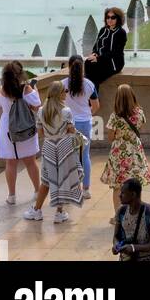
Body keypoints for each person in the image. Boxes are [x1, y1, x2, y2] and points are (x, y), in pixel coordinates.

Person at [24, 81, 83, 223]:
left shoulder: (41, 111)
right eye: (65, 91)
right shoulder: (66, 111)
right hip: (64, 147)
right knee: (62, 178)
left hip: (49, 146)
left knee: (46, 180)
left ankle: (37, 210)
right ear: (60, 93)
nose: (67, 93)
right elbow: (71, 130)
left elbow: (40, 132)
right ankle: (59, 212)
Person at [0, 62, 41, 205]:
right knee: (30, 161)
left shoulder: (2, 90)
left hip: (7, 128)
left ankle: (12, 195)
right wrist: (34, 88)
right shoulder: (26, 88)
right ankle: (37, 191)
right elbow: (37, 104)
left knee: (10, 163)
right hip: (25, 126)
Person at [101, 83, 150, 216]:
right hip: (135, 151)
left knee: (118, 187)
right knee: (134, 184)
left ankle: (119, 215)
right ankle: (134, 214)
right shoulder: (140, 113)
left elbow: (111, 137)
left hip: (118, 152)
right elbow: (140, 129)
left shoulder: (115, 116)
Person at [62, 54, 99, 199]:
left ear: (69, 67)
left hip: (68, 123)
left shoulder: (63, 84)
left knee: (70, 157)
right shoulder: (89, 84)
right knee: (85, 156)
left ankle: (73, 188)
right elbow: (96, 105)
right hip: (85, 122)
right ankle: (86, 188)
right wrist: (87, 114)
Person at [111, 178, 150, 261]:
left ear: (133, 194)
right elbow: (116, 236)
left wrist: (134, 248)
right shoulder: (121, 211)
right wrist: (116, 245)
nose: (120, 195)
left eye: (123, 193)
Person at [84, 7, 127, 95]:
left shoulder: (121, 33)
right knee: (88, 63)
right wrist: (94, 54)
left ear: (118, 19)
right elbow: (96, 46)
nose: (109, 19)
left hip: (114, 62)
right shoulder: (103, 30)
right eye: (108, 17)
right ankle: (92, 97)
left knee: (94, 73)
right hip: (100, 60)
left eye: (113, 17)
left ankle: (92, 98)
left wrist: (99, 59)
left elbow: (116, 52)